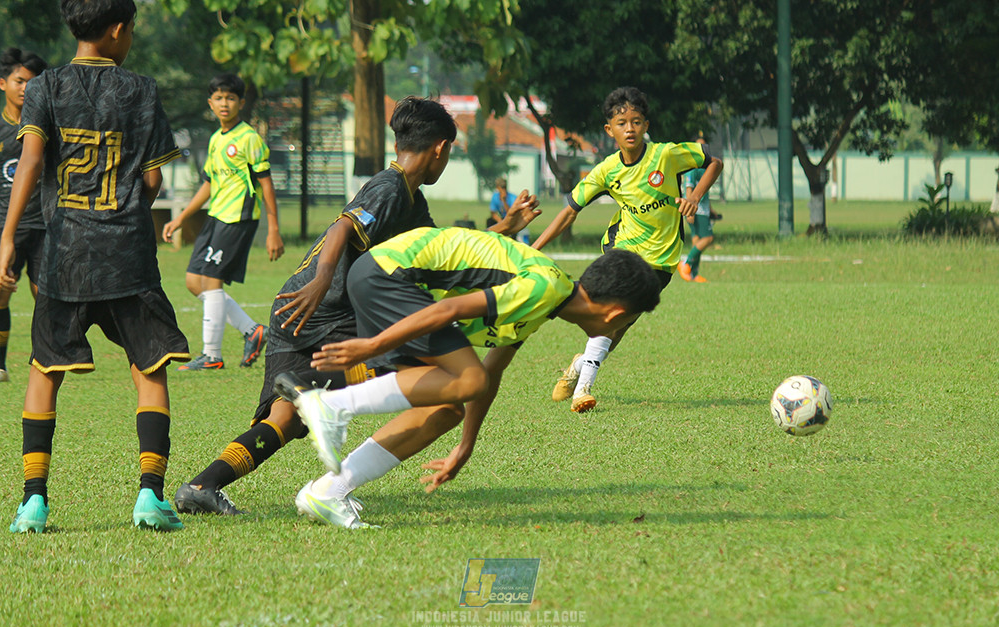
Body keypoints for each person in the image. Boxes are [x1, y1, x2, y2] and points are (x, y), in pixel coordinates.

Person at [172, 96, 539, 515]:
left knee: (284, 420)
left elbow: (441, 252)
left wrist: (504, 227)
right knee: (432, 382)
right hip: (327, 310)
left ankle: (203, 484)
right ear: (440, 147)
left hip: (293, 310)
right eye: (450, 151)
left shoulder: (411, 201)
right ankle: (310, 386)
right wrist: (324, 279)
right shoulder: (391, 187)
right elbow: (342, 227)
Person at [275, 225, 662, 529]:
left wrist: (466, 446)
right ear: (615, 315)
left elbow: (492, 371)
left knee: (447, 408)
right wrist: (373, 345)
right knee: (466, 380)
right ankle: (329, 404)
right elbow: (454, 310)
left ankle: (329, 491)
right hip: (391, 274)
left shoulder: (549, 299)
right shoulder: (543, 289)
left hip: (391, 278)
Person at [0, 0, 190, 533]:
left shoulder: (44, 88)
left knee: (44, 368)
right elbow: (152, 182)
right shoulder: (143, 90)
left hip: (63, 253)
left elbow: (32, 162)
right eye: (130, 29)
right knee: (149, 366)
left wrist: (8, 238)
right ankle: (150, 497)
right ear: (117, 29)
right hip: (127, 252)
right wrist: (126, 206)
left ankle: (33, 503)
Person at [531, 87, 723, 413]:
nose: (629, 129)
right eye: (622, 123)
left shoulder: (665, 155)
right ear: (610, 130)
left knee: (619, 326)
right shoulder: (607, 170)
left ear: (646, 125)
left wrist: (695, 196)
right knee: (611, 313)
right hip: (622, 248)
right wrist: (533, 248)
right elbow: (569, 210)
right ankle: (583, 390)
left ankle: (579, 365)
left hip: (661, 261)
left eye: (636, 122)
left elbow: (714, 161)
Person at [162, 73, 284, 371]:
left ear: (241, 103)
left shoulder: (249, 139)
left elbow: (266, 185)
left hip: (238, 219)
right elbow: (209, 185)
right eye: (218, 98)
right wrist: (180, 218)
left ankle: (212, 355)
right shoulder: (217, 140)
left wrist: (274, 230)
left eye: (230, 98)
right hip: (217, 217)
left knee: (212, 280)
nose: (224, 103)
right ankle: (252, 331)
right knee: (194, 282)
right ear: (210, 103)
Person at [0, 47, 48, 383]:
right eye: (19, 81)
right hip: (6, 226)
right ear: (3, 83)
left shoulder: (45, 127)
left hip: (45, 224)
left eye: (32, 82)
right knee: (0, 290)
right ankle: (0, 364)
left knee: (44, 295)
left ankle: (44, 359)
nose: (25, 88)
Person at [677, 137, 716, 283]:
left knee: (697, 241)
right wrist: (689, 211)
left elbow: (705, 191)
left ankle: (693, 274)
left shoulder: (705, 168)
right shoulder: (692, 168)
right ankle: (686, 264)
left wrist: (711, 209)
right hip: (696, 210)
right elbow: (689, 190)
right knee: (708, 239)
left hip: (704, 209)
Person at [488, 176, 529, 243]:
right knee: (490, 221)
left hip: (512, 217)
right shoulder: (495, 197)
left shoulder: (512, 198)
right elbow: (493, 213)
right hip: (501, 218)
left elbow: (511, 213)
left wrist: (504, 201)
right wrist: (500, 221)